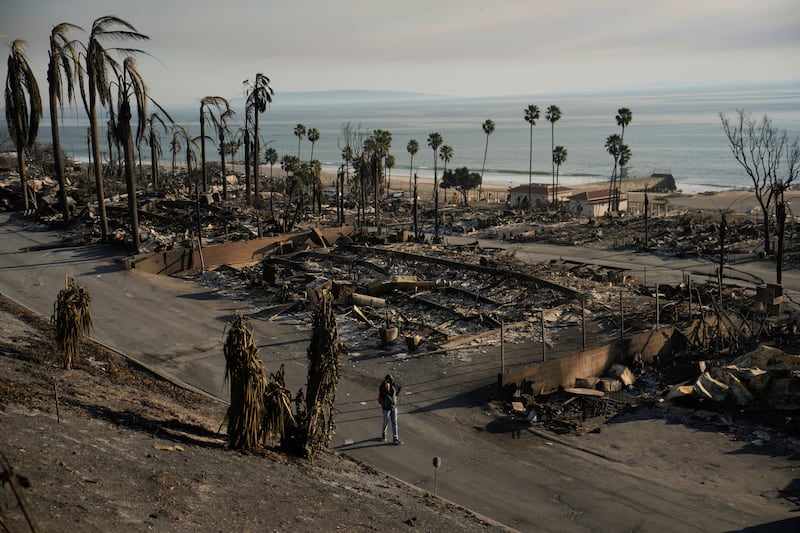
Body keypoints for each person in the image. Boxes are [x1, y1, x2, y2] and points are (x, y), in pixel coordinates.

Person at [377, 374, 402, 444]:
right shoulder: (382, 387)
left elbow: (394, 396)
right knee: (386, 422)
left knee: (394, 422)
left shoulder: (393, 386)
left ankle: (395, 438)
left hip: (393, 407)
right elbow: (385, 396)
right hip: (386, 408)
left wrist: (398, 391)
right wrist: (387, 388)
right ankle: (383, 435)